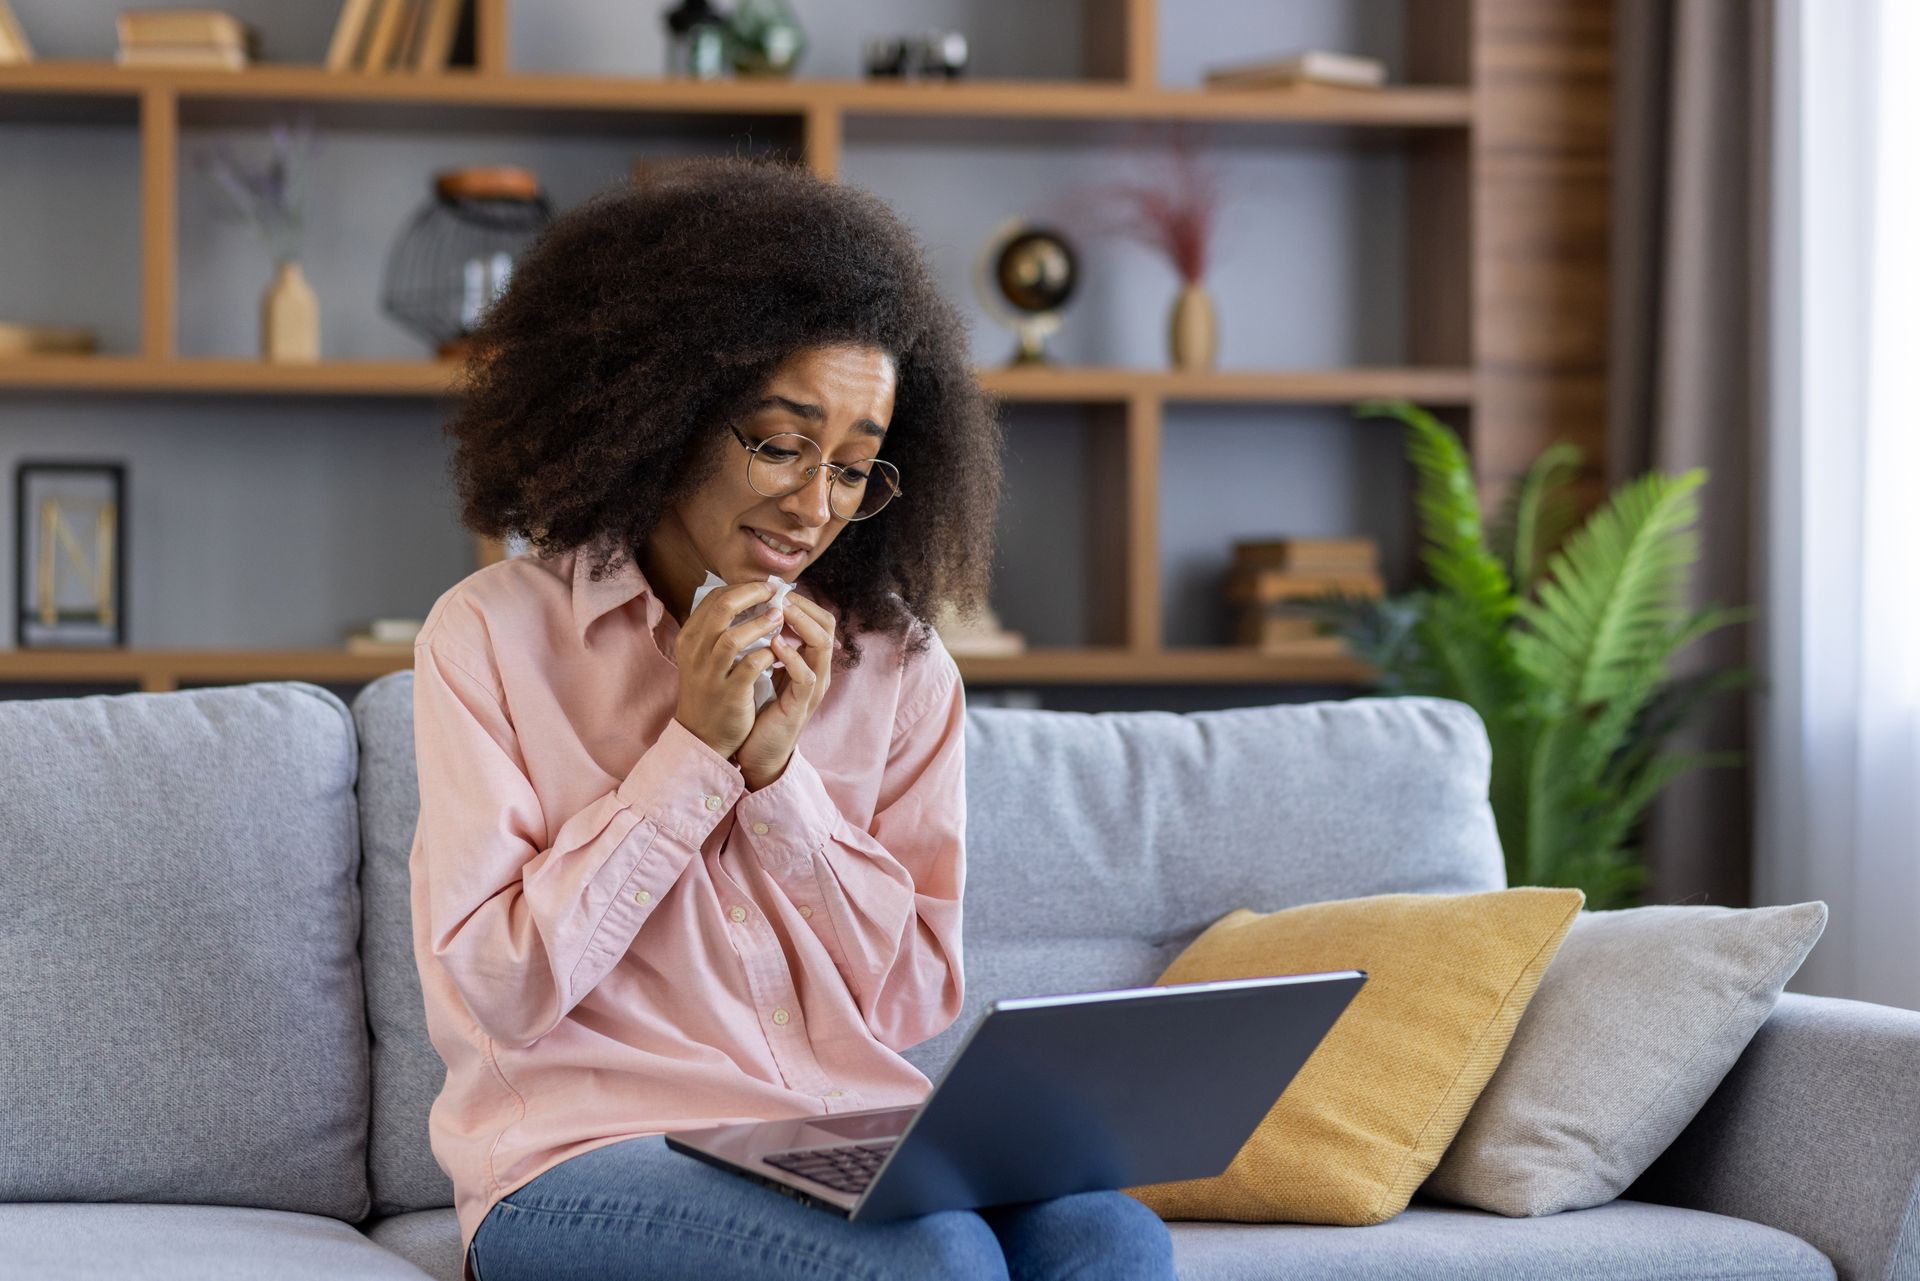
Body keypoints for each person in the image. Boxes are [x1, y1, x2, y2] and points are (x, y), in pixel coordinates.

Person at [409, 156, 1178, 1281]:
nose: (814, 507)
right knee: (936, 1260)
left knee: (1108, 1236)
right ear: (661, 411)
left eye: (856, 468)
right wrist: (692, 759)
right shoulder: (490, 636)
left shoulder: (900, 668)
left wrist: (781, 782)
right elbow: (499, 990)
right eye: (777, 443)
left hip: (848, 1138)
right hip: (585, 1160)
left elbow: (913, 995)